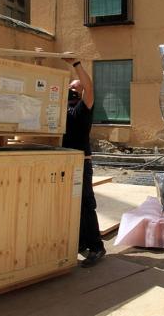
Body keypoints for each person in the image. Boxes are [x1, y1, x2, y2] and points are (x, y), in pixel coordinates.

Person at [63, 55, 106, 268]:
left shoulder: (83, 109)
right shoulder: (59, 111)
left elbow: (89, 88)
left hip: (81, 163)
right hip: (65, 164)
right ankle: (80, 243)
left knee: (86, 205)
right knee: (72, 205)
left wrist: (77, 64)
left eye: (75, 86)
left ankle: (97, 247)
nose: (72, 87)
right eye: (70, 85)